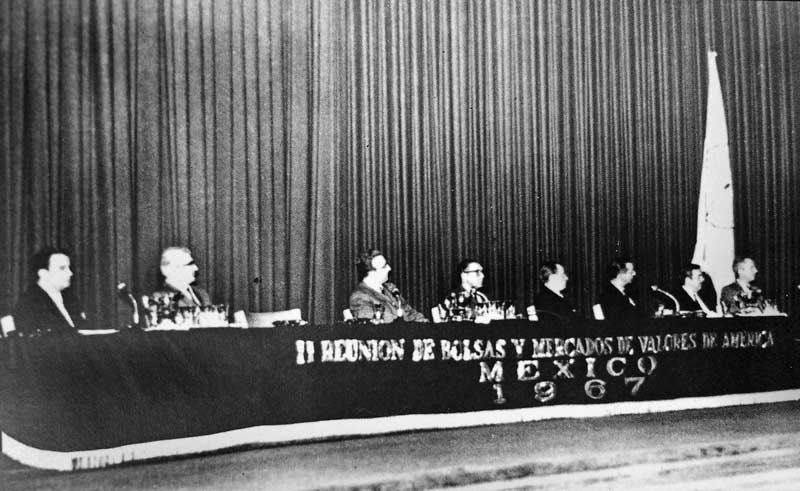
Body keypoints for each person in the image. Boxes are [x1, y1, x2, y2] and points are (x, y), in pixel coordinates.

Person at [13, 247, 88, 335]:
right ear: (43, 273)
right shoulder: (29, 303)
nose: (70, 273)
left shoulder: (72, 300)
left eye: (69, 268)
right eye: (62, 268)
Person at [348, 249, 427, 323]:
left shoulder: (390, 289)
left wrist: (425, 323)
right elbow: (375, 324)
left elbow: (409, 312)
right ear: (371, 273)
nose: (389, 268)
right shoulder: (359, 296)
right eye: (384, 267)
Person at [598, 257, 641, 322]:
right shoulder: (608, 296)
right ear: (620, 273)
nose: (634, 273)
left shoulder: (628, 292)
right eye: (631, 272)